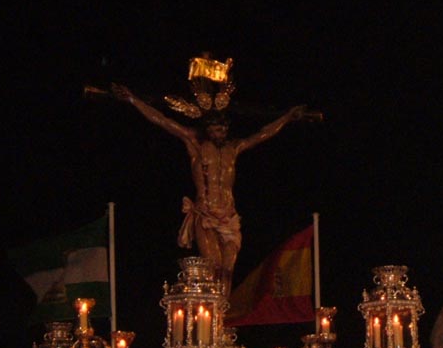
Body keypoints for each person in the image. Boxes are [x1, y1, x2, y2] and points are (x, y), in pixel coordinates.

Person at [111, 70, 321, 291]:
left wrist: (287, 117)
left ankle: (222, 317)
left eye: (222, 130)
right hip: (206, 213)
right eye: (214, 130)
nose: (219, 133)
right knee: (214, 267)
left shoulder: (234, 148)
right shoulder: (195, 144)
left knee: (228, 270)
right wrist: (133, 99)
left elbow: (263, 133)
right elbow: (162, 121)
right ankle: (212, 318)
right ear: (207, 129)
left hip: (229, 216)